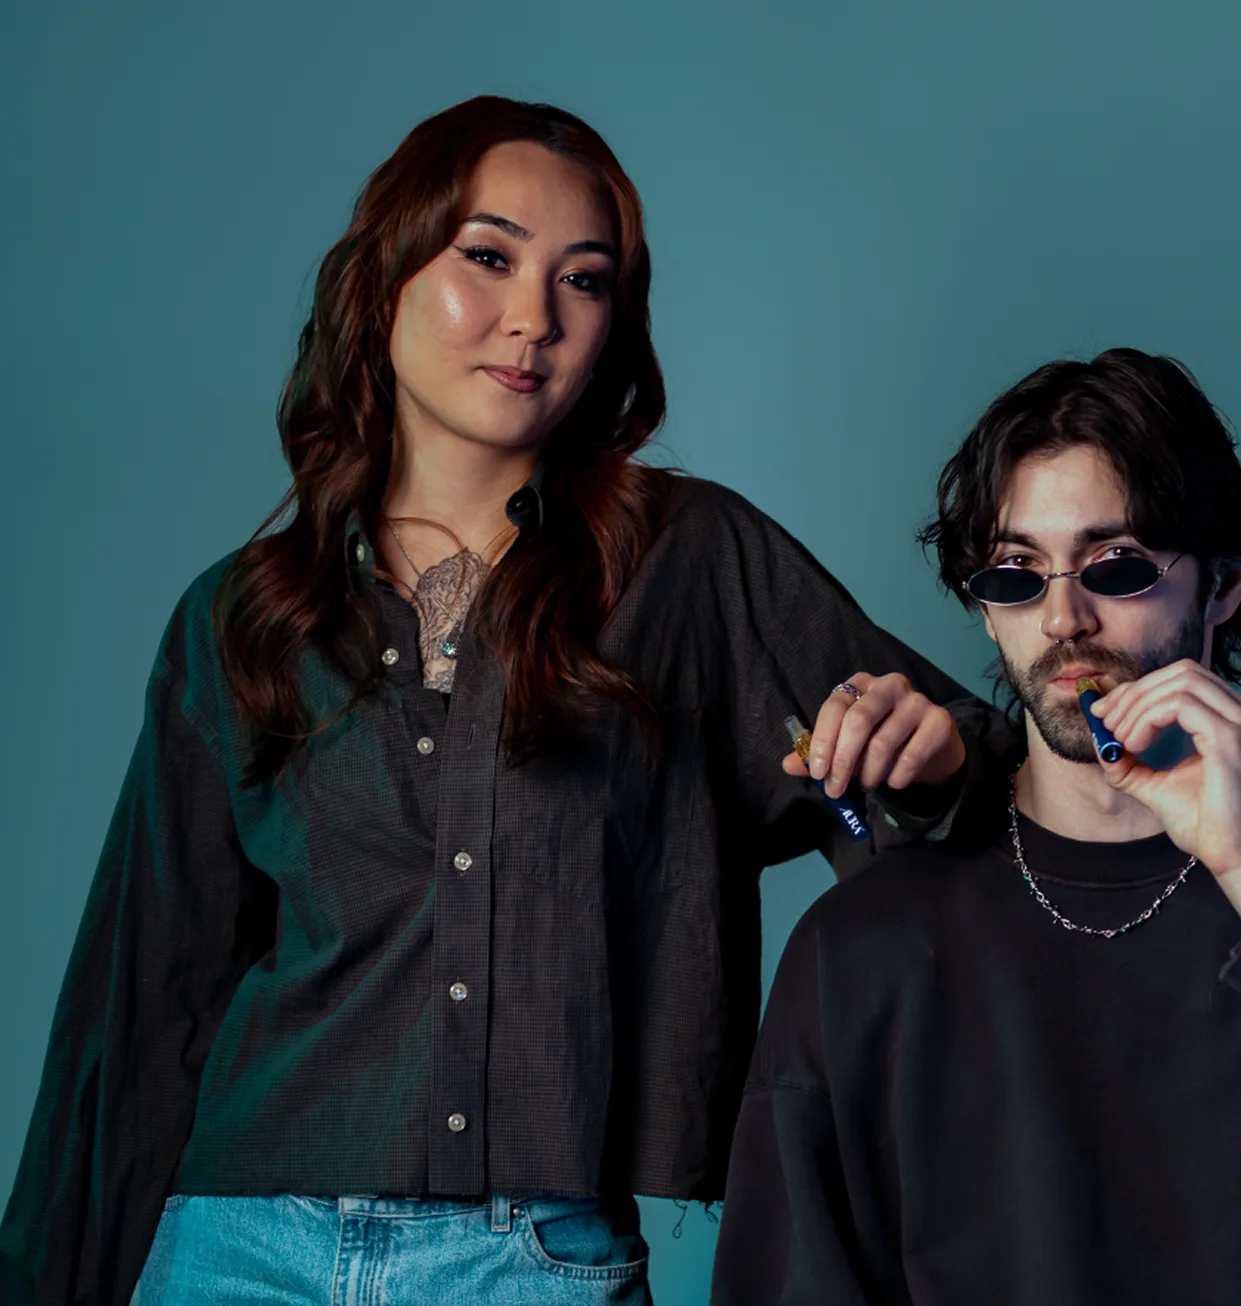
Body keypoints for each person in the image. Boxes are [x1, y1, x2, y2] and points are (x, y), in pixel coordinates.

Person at [0, 96, 1009, 1306]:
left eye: (583, 282)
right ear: (386, 278)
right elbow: (138, 1007)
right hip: (231, 1248)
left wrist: (942, 760)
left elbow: (960, 804)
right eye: (487, 257)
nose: (532, 317)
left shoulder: (689, 563)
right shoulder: (237, 618)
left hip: (531, 1260)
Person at [710, 348, 1241, 1306]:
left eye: (1117, 566)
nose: (1063, 617)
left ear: (1224, 585)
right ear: (986, 613)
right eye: (1017, 573)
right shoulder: (861, 948)